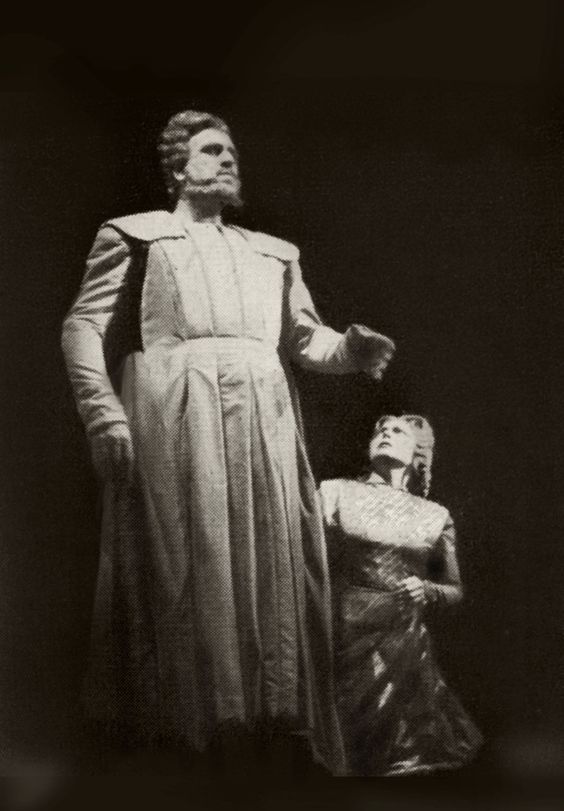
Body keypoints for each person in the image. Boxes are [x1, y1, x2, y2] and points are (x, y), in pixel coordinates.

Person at [61, 110, 395, 774]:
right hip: (176, 405)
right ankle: (190, 730)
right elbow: (82, 325)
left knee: (267, 557)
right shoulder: (137, 235)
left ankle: (265, 725)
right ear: (178, 167)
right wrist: (103, 412)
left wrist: (351, 351)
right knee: (192, 554)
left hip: (261, 412)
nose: (228, 158)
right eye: (212, 149)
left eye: (233, 150)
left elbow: (306, 340)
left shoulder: (272, 252)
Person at [319, 414, 482, 775]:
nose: (385, 433)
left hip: (403, 645)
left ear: (417, 454)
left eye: (397, 431)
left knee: (399, 755)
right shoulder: (335, 492)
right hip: (343, 633)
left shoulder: (435, 515)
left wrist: (428, 589)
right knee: (343, 746)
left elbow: (456, 590)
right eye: (380, 430)